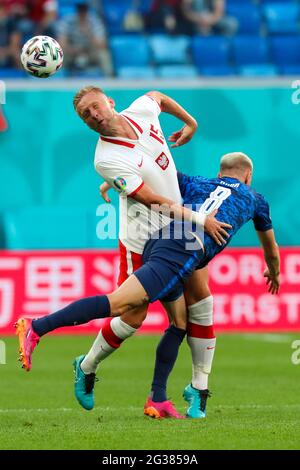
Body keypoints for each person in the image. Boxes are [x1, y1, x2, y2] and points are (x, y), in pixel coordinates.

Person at [16, 87, 230, 419]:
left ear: (110, 102)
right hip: (142, 241)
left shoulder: (141, 113)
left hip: (173, 232)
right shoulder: (106, 158)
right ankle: (81, 362)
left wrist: (190, 122)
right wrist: (199, 219)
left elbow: (157, 96)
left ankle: (157, 398)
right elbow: (148, 197)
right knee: (131, 314)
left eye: (96, 106)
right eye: (86, 115)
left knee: (181, 319)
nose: (94, 114)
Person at [16, 152, 280, 418]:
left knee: (181, 321)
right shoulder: (255, 198)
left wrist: (113, 181)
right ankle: (38, 327)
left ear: (220, 174)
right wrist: (274, 272)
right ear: (249, 176)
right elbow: (270, 248)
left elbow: (147, 173)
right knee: (121, 305)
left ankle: (160, 396)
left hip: (164, 239)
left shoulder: (200, 182)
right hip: (180, 251)